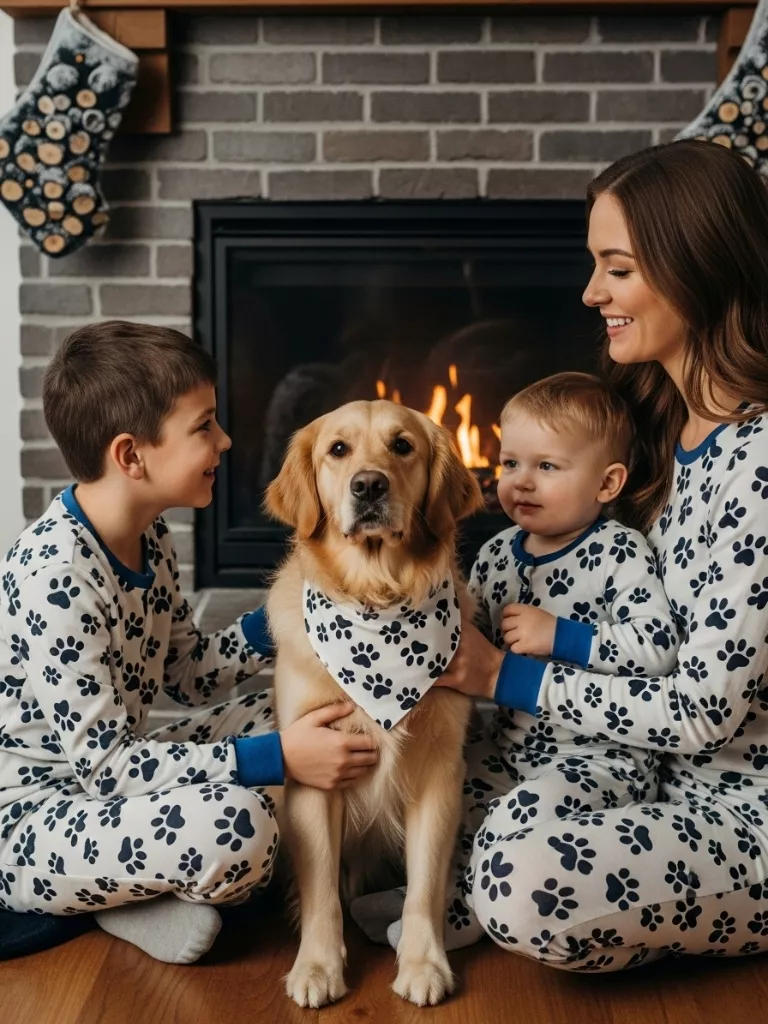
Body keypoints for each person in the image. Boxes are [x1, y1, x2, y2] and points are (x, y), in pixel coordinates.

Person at [433, 139, 768, 969]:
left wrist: (497, 677)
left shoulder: (759, 463)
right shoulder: (651, 429)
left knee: (519, 872)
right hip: (633, 772)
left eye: (616, 268)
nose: (592, 293)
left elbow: (699, 711)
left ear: (696, 267)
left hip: (738, 803)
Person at [0, 321, 377, 964]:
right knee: (241, 826)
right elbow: (109, 768)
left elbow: (189, 675)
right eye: (204, 426)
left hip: (125, 781)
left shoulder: (149, 536)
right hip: (42, 815)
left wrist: (295, 611)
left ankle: (144, 893)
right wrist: (278, 759)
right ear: (131, 455)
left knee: (317, 718)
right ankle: (122, 904)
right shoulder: (56, 574)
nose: (226, 440)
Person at [351, 371, 679, 950]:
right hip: (510, 746)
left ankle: (464, 912)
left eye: (547, 467)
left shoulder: (619, 552)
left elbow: (656, 649)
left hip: (599, 759)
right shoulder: (498, 551)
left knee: (519, 813)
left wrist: (564, 636)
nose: (521, 484)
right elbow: (468, 647)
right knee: (454, 794)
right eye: (509, 465)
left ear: (607, 484)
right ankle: (434, 895)